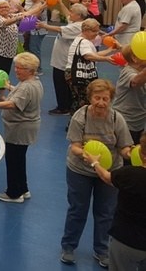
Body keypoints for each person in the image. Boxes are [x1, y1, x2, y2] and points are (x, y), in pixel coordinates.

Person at [60, 79, 133, 267]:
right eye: (97, 98)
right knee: (77, 209)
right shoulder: (80, 116)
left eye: (105, 99)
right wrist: (86, 155)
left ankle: (101, 250)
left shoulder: (117, 119)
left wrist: (132, 154)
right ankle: (68, 246)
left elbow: (124, 147)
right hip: (80, 170)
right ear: (90, 98)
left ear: (111, 100)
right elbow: (75, 146)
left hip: (109, 171)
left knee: (106, 212)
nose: (101, 102)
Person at [0, 52, 43, 203]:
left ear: (30, 70)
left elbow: (13, 104)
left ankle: (14, 193)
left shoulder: (26, 87)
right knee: (19, 159)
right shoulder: (34, 82)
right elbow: (20, 93)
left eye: (20, 68)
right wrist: (8, 87)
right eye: (16, 67)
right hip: (26, 127)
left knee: (13, 160)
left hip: (19, 129)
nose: (16, 70)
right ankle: (23, 188)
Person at [83, 132, 146, 270]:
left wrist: (95, 162)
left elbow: (106, 177)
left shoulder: (130, 174)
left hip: (126, 240)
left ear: (142, 154)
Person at [38, 3, 88, 115]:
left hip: (63, 61)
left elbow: (59, 29)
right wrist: (60, 2)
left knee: (61, 83)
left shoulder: (77, 26)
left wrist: (44, 25)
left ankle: (63, 107)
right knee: (63, 83)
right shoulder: (75, 22)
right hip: (61, 59)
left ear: (79, 15)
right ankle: (67, 105)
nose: (70, 14)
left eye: (72, 12)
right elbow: (67, 15)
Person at [65, 18, 116, 115]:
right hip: (78, 75)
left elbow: (94, 54)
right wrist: (106, 59)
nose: (97, 34)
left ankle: (77, 119)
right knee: (82, 101)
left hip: (74, 73)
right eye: (94, 31)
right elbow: (88, 56)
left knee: (78, 99)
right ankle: (79, 119)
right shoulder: (84, 42)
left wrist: (110, 50)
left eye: (97, 31)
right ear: (86, 31)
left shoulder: (82, 40)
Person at [111, 45, 146, 144]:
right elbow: (135, 82)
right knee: (125, 150)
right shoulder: (127, 71)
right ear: (135, 58)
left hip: (138, 122)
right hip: (124, 122)